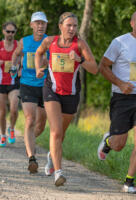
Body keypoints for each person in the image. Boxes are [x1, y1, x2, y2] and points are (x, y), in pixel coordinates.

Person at [97, 10, 136, 194]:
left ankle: (129, 182)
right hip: (122, 98)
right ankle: (108, 142)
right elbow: (103, 66)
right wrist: (120, 83)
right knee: (119, 144)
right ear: (132, 24)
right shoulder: (119, 42)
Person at [35, 12, 98, 186]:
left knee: (61, 133)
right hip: (51, 90)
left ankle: (51, 156)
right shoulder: (50, 42)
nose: (72, 29)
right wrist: (38, 68)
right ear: (60, 26)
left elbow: (94, 68)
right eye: (69, 25)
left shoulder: (80, 44)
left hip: (71, 93)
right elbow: (38, 53)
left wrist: (80, 59)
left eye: (75, 26)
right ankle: (58, 172)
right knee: (55, 131)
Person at [11, 11, 49, 174]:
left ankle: (29, 140)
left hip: (45, 85)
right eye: (37, 23)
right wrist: (14, 66)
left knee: (40, 124)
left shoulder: (49, 41)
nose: (40, 26)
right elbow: (15, 54)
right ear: (31, 25)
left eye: (43, 23)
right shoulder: (24, 41)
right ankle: (32, 157)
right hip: (27, 84)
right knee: (30, 118)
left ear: (46, 25)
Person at [0, 21, 20, 147]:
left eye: (13, 32)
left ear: (15, 33)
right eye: (8, 31)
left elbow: (24, 59)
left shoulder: (18, 45)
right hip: (1, 83)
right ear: (3, 31)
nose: (10, 34)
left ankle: (11, 129)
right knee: (2, 111)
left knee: (14, 109)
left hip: (14, 82)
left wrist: (19, 67)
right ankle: (2, 136)